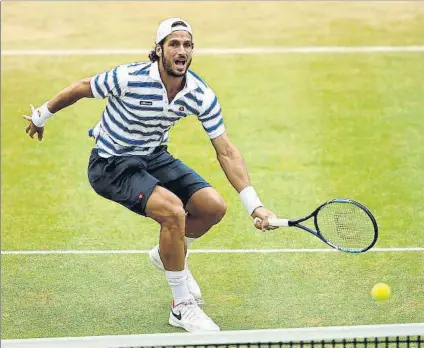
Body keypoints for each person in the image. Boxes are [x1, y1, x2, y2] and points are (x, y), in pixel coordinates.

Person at [22, 17, 277, 333]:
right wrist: (41, 115)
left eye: (187, 45)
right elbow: (81, 88)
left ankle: (167, 254)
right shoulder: (129, 77)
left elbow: (226, 150)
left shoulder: (199, 93)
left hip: (154, 156)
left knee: (213, 207)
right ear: (158, 51)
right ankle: (181, 307)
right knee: (172, 212)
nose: (181, 51)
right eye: (173, 44)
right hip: (111, 164)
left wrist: (255, 205)